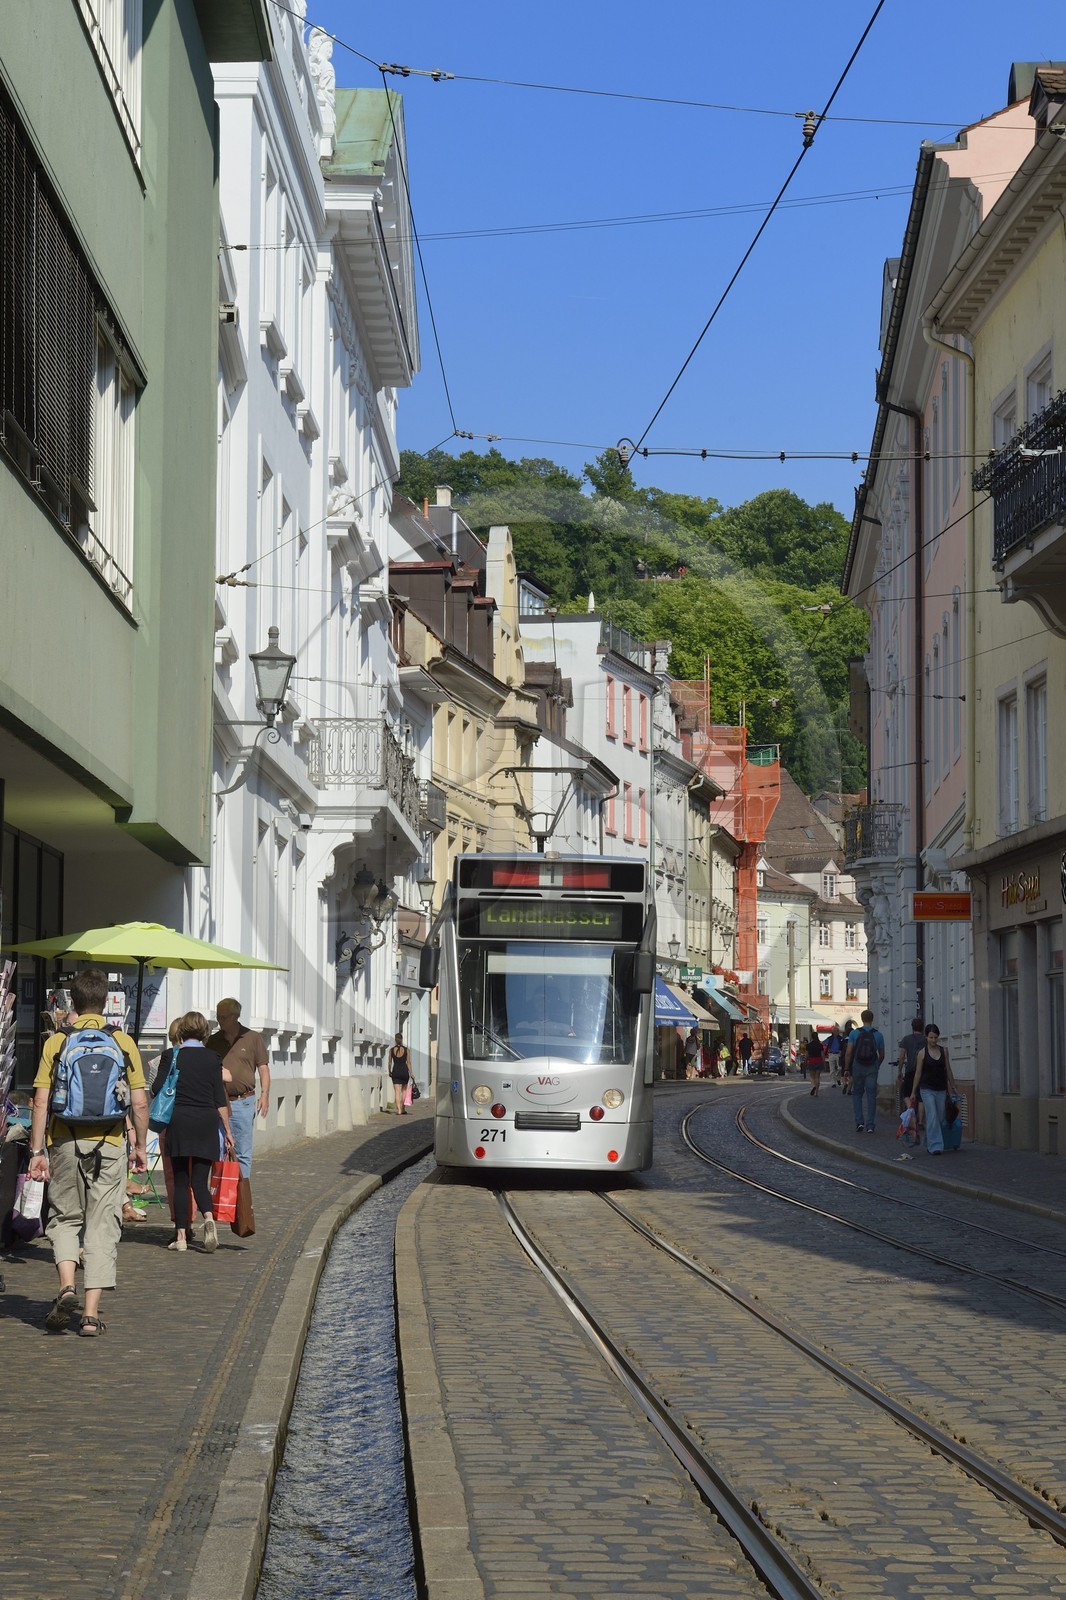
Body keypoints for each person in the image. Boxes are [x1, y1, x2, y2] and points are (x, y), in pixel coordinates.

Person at [27, 968, 149, 1336]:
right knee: (102, 1226)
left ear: (73, 1002)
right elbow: (140, 1103)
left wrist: (37, 1151)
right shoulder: (123, 1042)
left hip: (64, 1139)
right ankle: (91, 1316)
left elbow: (40, 1102)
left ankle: (66, 1286)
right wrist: (140, 1146)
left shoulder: (57, 1042)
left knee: (65, 1217)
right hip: (111, 1142)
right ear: (107, 1002)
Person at [154, 1012, 235, 1251]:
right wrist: (228, 1131)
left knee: (181, 1181)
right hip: (206, 1122)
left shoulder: (171, 1055)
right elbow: (219, 1098)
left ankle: (180, 1237)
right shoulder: (213, 1058)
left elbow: (157, 1088)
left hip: (178, 1121)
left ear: (181, 1032)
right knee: (200, 1179)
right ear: (205, 1033)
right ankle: (208, 1219)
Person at [206, 998, 270, 1177]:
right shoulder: (213, 1040)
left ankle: (241, 1197)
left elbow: (263, 1068)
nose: (220, 1021)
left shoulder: (252, 1037)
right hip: (219, 1102)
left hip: (243, 1102)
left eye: (224, 1017)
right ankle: (222, 1196)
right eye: (218, 1017)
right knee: (219, 1151)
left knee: (241, 1152)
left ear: (236, 1016)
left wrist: (264, 1095)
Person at [909, 1023, 958, 1156]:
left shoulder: (944, 1051)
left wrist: (953, 1086)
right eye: (931, 1037)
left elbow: (948, 1069)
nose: (933, 1040)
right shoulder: (922, 1053)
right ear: (926, 1037)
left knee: (940, 1117)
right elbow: (918, 1073)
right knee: (932, 1116)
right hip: (927, 1089)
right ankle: (935, 1146)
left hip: (941, 1088)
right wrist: (913, 1091)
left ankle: (928, 1140)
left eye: (935, 1037)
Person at [845, 1009, 885, 1133]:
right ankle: (870, 1125)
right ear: (872, 1019)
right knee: (871, 1095)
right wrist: (877, 1065)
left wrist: (847, 1068)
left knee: (857, 1094)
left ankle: (859, 1123)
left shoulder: (854, 1034)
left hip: (858, 1066)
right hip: (872, 1067)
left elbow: (848, 1053)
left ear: (862, 1019)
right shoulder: (878, 1035)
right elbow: (882, 1054)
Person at [897, 1018, 926, 1113]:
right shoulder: (926, 1040)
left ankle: (911, 1111)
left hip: (910, 1070)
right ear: (922, 1027)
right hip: (923, 1071)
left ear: (912, 1027)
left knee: (905, 1094)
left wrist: (900, 1070)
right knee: (921, 1098)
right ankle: (921, 1121)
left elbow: (901, 1057)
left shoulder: (906, 1039)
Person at [389, 1032, 412, 1114]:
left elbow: (390, 1063)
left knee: (397, 1092)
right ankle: (403, 1108)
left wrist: (389, 1071)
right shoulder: (406, 1050)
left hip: (395, 1072)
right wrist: (411, 1073)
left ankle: (398, 1110)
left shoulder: (391, 1050)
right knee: (404, 1091)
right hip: (404, 1072)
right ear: (401, 1040)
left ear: (395, 1040)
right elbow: (408, 1062)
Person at [806, 1029, 825, 1096]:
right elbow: (822, 1054)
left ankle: (813, 1085)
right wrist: (824, 1062)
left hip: (812, 1061)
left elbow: (807, 1055)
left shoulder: (809, 1045)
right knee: (817, 1076)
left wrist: (806, 1061)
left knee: (812, 1076)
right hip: (819, 1061)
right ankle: (816, 1092)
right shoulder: (820, 1045)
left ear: (811, 1037)